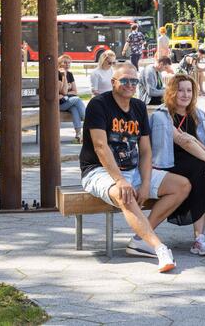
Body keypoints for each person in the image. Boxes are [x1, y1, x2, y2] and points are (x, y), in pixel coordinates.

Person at [79, 62, 190, 273]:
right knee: (125, 194)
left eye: (134, 81)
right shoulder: (98, 105)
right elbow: (101, 147)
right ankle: (159, 248)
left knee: (182, 185)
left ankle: (140, 240)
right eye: (124, 80)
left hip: (133, 170)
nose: (130, 84)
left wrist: (146, 182)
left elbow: (146, 150)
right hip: (99, 170)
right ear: (113, 82)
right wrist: (120, 180)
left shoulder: (138, 107)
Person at [150, 74, 205, 256]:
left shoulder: (197, 115)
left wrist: (197, 144)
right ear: (172, 92)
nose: (185, 94)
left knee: (202, 172)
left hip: (194, 164)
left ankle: (201, 239)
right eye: (180, 90)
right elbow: (182, 142)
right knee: (203, 168)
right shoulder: (163, 115)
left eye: (189, 90)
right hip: (169, 164)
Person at [58, 54, 86, 143]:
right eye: (65, 63)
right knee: (77, 99)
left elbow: (75, 91)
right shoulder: (58, 74)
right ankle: (88, 120)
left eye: (69, 63)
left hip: (68, 101)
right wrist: (64, 77)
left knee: (74, 109)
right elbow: (64, 91)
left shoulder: (70, 74)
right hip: (59, 104)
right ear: (59, 64)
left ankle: (78, 134)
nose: (67, 65)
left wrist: (66, 94)